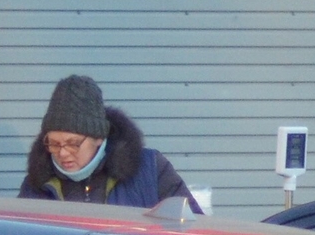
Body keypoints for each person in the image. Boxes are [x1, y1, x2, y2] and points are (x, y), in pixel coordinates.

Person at [18, 74, 200, 210]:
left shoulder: (151, 170)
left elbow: (193, 233)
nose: (63, 153)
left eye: (73, 143)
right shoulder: (36, 185)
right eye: (54, 144)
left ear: (99, 137)